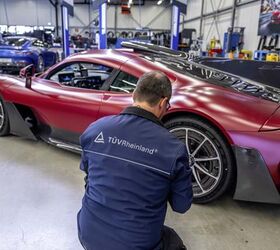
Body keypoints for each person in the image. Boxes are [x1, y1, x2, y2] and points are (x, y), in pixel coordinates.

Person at [77, 71, 193, 250]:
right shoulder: (174, 149)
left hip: (88, 234)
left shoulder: (96, 129)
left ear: (134, 95)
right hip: (137, 245)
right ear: (163, 103)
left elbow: (88, 176)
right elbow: (181, 205)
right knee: (174, 241)